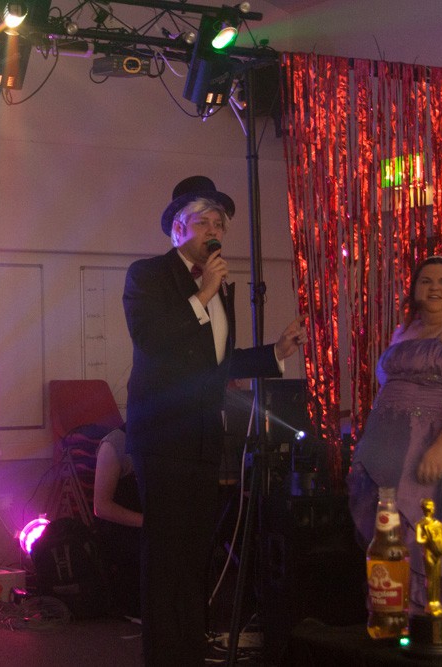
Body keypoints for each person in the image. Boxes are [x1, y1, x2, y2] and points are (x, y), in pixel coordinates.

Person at [123, 175, 306, 666]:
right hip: (163, 436)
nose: (213, 230)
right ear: (178, 229)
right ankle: (164, 657)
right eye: (202, 221)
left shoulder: (220, 288)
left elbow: (218, 363)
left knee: (195, 554)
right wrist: (203, 293)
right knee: (166, 556)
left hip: (206, 435)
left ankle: (188, 651)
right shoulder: (148, 275)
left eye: (219, 223)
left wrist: (274, 353)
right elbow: (154, 341)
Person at [347, 255, 442, 613]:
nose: (434, 288)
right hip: (387, 450)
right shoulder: (405, 331)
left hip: (434, 446)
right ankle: (393, 614)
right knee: (388, 532)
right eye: (426, 281)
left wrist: (441, 447)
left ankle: (434, 614)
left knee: (427, 530)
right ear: (414, 289)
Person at [92, 426, 142, 619]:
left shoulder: (168, 439)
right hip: (125, 532)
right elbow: (101, 507)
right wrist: (147, 522)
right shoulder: (115, 444)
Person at [415, 498, 442, 615]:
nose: (430, 508)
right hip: (428, 552)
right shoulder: (421, 524)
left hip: (437, 553)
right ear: (423, 508)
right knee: (430, 578)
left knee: (437, 577)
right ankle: (431, 603)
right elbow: (419, 539)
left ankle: (437, 602)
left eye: (432, 506)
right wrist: (430, 537)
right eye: (428, 506)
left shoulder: (438, 524)